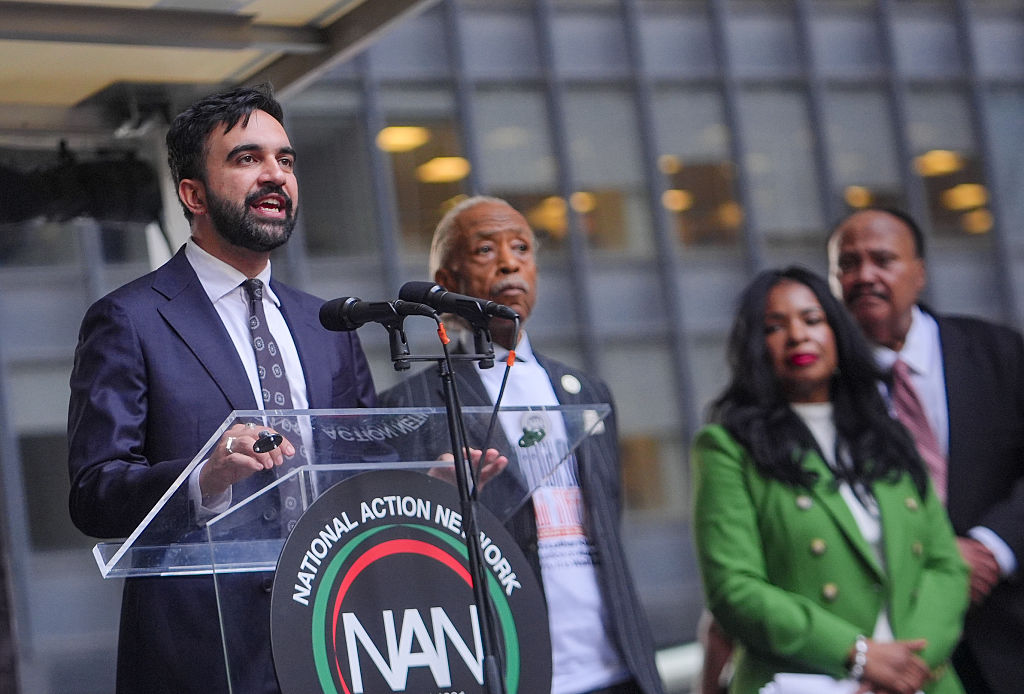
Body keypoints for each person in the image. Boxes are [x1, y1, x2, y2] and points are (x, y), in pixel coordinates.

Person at [66, 84, 376, 693]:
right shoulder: (129, 319)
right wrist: (202, 478)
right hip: (204, 655)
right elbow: (93, 494)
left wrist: (425, 485)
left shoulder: (328, 325)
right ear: (192, 194)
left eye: (285, 160)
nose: (275, 175)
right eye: (247, 158)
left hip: (337, 639)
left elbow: (356, 464)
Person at [379, 195, 665, 694]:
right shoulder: (412, 405)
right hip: (509, 669)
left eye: (522, 248)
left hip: (619, 668)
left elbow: (609, 520)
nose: (510, 262)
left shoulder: (587, 392)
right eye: (486, 250)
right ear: (446, 282)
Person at [691, 266, 967, 694]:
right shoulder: (728, 448)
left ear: (838, 334)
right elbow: (734, 589)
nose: (798, 335)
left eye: (812, 320)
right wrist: (859, 656)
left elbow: (945, 565)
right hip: (805, 680)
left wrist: (903, 667)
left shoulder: (887, 435)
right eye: (774, 327)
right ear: (754, 349)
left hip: (919, 682)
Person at [828, 207, 1024, 694]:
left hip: (1012, 625)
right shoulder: (822, 391)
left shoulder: (1001, 353)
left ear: (920, 273)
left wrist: (989, 549)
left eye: (882, 259)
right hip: (898, 650)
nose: (864, 275)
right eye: (848, 264)